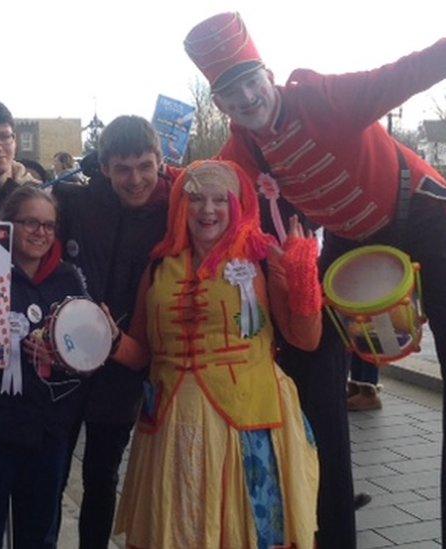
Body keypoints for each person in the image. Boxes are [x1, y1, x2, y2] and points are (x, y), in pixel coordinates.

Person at [186, 3, 446, 546]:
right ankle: (326, 527)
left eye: (251, 82)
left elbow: (419, 67)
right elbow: (201, 196)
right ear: (219, 103)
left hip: (423, 213)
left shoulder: (325, 98)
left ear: (267, 76)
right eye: (231, 93)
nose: (247, 100)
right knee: (307, 356)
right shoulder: (238, 152)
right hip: (350, 237)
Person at [107, 160, 321, 548]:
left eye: (220, 200)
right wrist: (103, 339)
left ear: (238, 205)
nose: (208, 210)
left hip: (250, 423)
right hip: (171, 428)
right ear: (179, 208)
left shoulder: (262, 258)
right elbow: (141, 353)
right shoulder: (157, 268)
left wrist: (303, 273)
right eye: (196, 200)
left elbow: (304, 339)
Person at [52, 115, 181, 548]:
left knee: (102, 477)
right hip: (64, 364)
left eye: (145, 165)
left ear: (160, 162)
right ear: (104, 168)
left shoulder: (172, 213)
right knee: (50, 470)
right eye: (123, 168)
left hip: (124, 367)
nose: (135, 178)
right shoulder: (75, 205)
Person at [0, 185, 90, 548]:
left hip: (47, 430)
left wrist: (60, 358)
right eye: (31, 223)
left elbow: (87, 352)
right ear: (8, 225)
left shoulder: (69, 278)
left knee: (39, 532)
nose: (41, 233)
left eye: (49, 225)